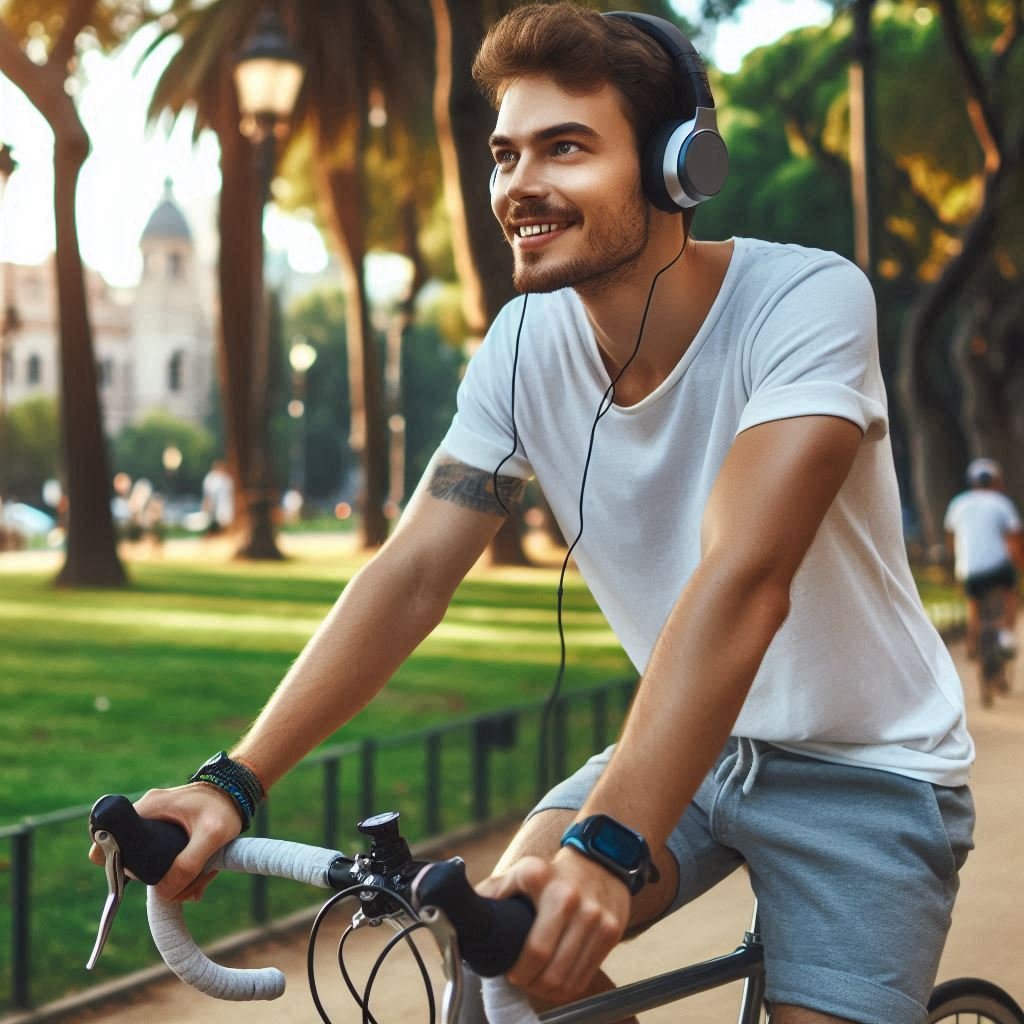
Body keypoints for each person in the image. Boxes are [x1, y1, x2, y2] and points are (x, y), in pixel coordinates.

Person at [91, 7, 975, 1023]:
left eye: (566, 148)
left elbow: (744, 581)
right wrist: (234, 782)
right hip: (690, 751)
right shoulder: (522, 344)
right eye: (505, 154)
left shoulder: (807, 303)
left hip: (865, 770)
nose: (519, 185)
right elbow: (412, 573)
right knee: (509, 949)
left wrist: (605, 843)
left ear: (674, 165)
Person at [944, 457, 1024, 660]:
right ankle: (1006, 635)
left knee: (974, 603)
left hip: (969, 568)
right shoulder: (1002, 503)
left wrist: (954, 563)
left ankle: (973, 640)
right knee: (1010, 594)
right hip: (998, 568)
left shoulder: (958, 504)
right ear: (997, 481)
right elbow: (1015, 543)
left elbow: (951, 539)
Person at [201, 459, 234, 536]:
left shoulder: (226, 478)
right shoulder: (211, 479)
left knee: (224, 522)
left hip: (224, 507)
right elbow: (207, 494)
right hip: (214, 507)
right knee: (214, 523)